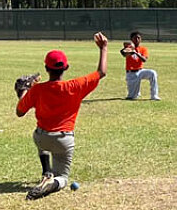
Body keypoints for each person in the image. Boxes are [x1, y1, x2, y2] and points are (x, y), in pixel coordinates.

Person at [16, 32, 108, 200]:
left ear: (46, 68)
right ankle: (52, 182)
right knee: (63, 178)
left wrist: (23, 92)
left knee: (40, 139)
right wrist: (103, 48)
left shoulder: (37, 89)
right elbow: (101, 72)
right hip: (64, 140)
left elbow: (20, 112)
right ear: (66, 67)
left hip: (42, 137)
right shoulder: (75, 86)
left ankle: (47, 171)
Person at [121, 31, 160, 101]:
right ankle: (136, 93)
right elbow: (123, 53)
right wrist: (128, 49)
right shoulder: (129, 48)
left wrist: (136, 53)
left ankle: (154, 95)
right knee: (132, 97)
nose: (137, 39)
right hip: (131, 73)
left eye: (138, 38)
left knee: (152, 73)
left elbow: (144, 60)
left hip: (140, 71)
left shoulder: (143, 49)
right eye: (135, 38)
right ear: (131, 39)